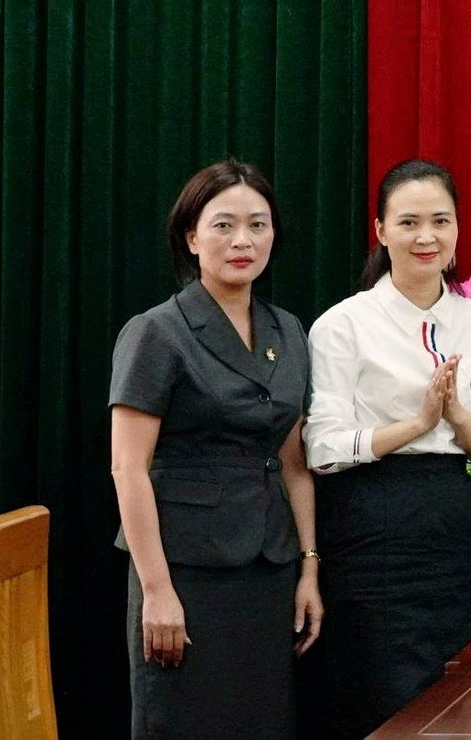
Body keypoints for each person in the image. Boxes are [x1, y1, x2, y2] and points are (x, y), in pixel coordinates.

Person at [300, 160, 471, 739]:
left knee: (457, 688)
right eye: (409, 222)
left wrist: (457, 417)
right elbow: (322, 446)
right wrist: (418, 422)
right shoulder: (343, 324)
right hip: (369, 519)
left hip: (451, 519)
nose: (427, 237)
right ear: (380, 230)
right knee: (378, 684)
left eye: (441, 221)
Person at [109, 160, 322, 739]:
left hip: (269, 569)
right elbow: (128, 468)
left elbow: (294, 463)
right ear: (191, 237)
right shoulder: (157, 331)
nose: (242, 241)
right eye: (223, 225)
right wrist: (157, 592)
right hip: (185, 571)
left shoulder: (288, 330)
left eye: (258, 225)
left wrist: (308, 568)